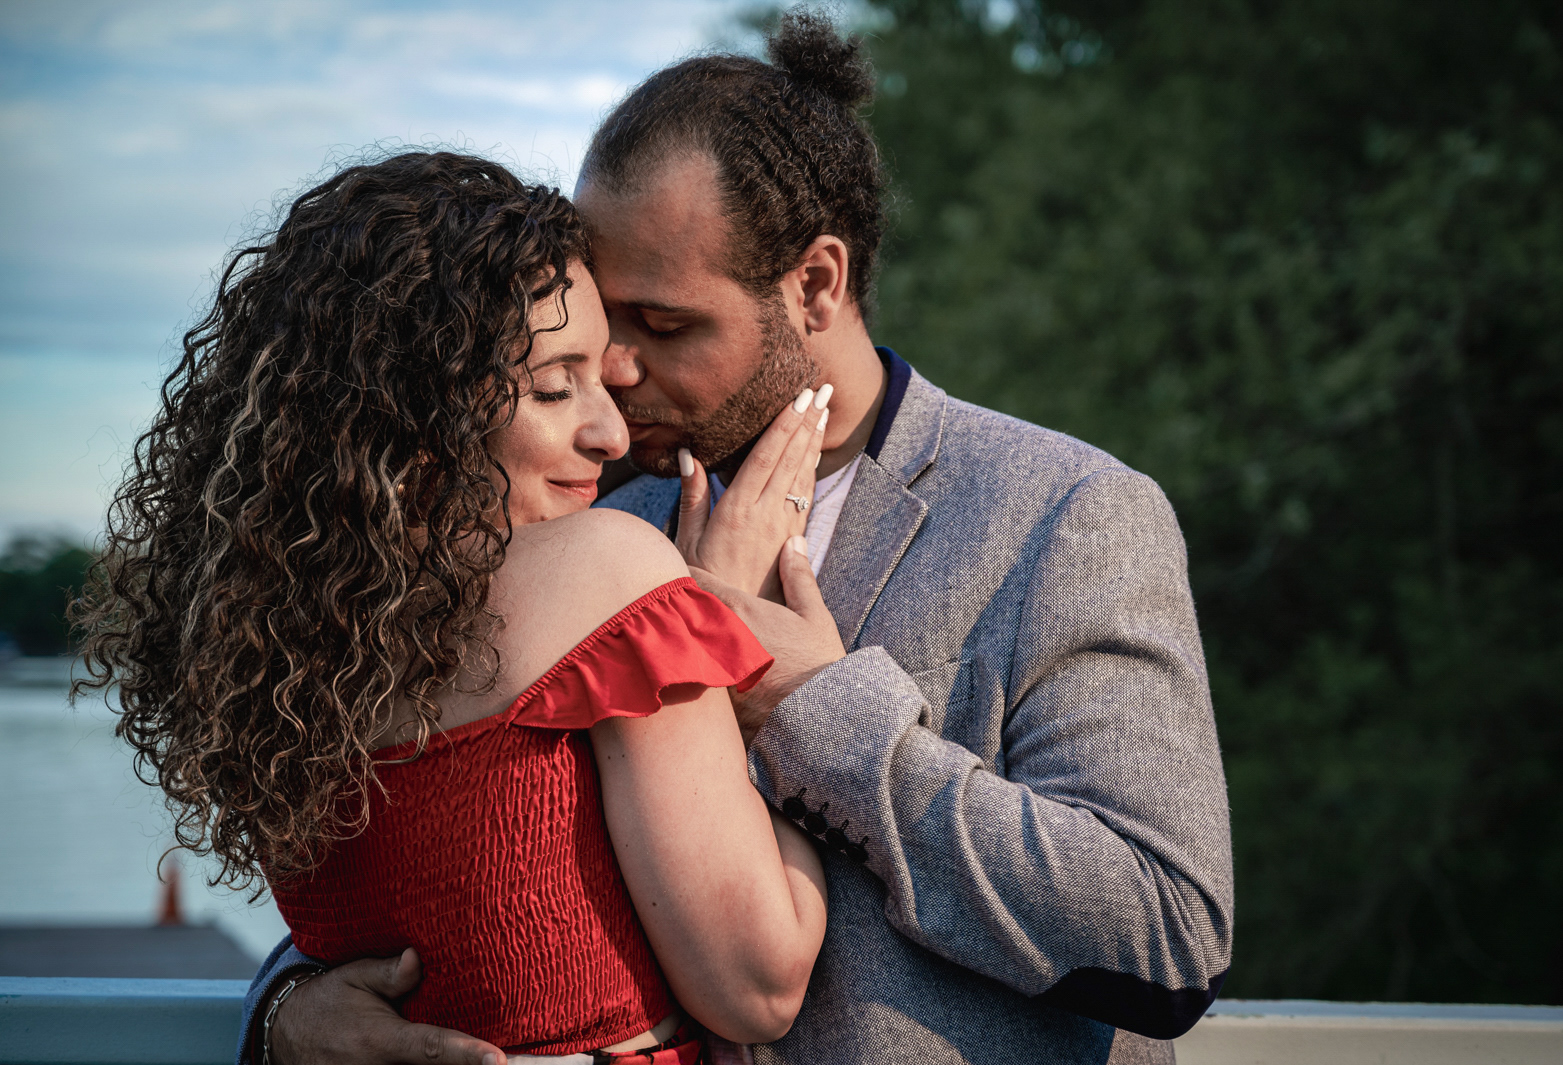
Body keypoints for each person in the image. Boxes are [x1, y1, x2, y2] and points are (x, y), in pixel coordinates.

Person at [242, 12, 1233, 1065]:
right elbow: (441, 839)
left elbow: (1165, 935)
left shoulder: (1063, 513)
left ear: (815, 285)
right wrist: (287, 1007)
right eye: (600, 324)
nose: (615, 373)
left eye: (662, 326)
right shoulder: (591, 516)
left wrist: (823, 714)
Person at [72, 151, 829, 1064]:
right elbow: (761, 983)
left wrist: (282, 1012)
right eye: (555, 386)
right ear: (413, 408)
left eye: (605, 378)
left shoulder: (275, 646)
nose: (612, 432)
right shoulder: (611, 571)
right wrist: (759, 653)